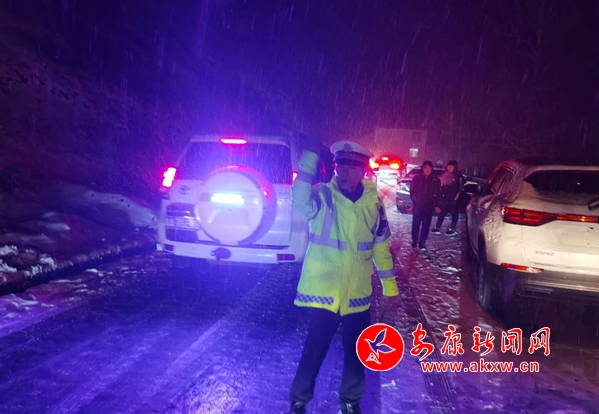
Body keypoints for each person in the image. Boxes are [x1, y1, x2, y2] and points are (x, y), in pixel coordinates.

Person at [289, 136, 399, 414]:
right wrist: (310, 158)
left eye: (351, 168)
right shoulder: (323, 197)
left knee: (357, 353)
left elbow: (381, 247)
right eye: (340, 167)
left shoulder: (374, 206)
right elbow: (299, 199)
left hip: (357, 293)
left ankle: (350, 402)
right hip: (324, 291)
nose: (344, 173)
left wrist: (389, 287)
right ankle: (299, 401)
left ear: (363, 171)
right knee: (314, 350)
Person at [409, 161, 441, 250]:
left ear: (432, 169)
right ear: (422, 168)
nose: (427, 170)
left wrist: (437, 205)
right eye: (425, 168)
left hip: (429, 206)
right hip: (418, 206)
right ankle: (414, 240)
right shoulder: (417, 178)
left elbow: (438, 194)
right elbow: (412, 192)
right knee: (416, 224)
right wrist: (416, 202)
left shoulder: (435, 180)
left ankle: (422, 243)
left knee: (426, 225)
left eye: (429, 168)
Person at [431, 160, 465, 236]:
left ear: (455, 167)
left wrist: (457, 197)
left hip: (454, 199)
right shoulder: (445, 174)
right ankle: (437, 227)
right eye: (449, 166)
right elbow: (440, 184)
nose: (450, 168)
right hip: (445, 198)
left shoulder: (458, 176)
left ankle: (452, 229)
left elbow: (461, 188)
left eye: (452, 166)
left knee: (454, 214)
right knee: (442, 213)